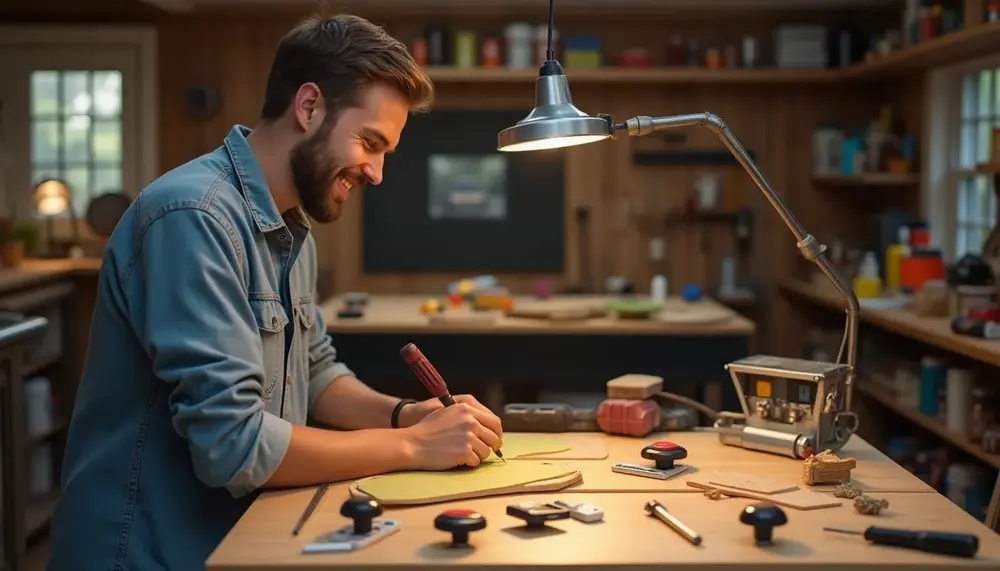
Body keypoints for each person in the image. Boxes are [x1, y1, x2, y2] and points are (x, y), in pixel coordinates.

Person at [47, 14, 504, 571]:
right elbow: (232, 445)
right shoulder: (194, 217)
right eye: (369, 142)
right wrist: (414, 447)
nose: (377, 173)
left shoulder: (290, 226)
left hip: (234, 538)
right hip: (145, 552)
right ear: (308, 107)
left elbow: (313, 373)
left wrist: (406, 415)